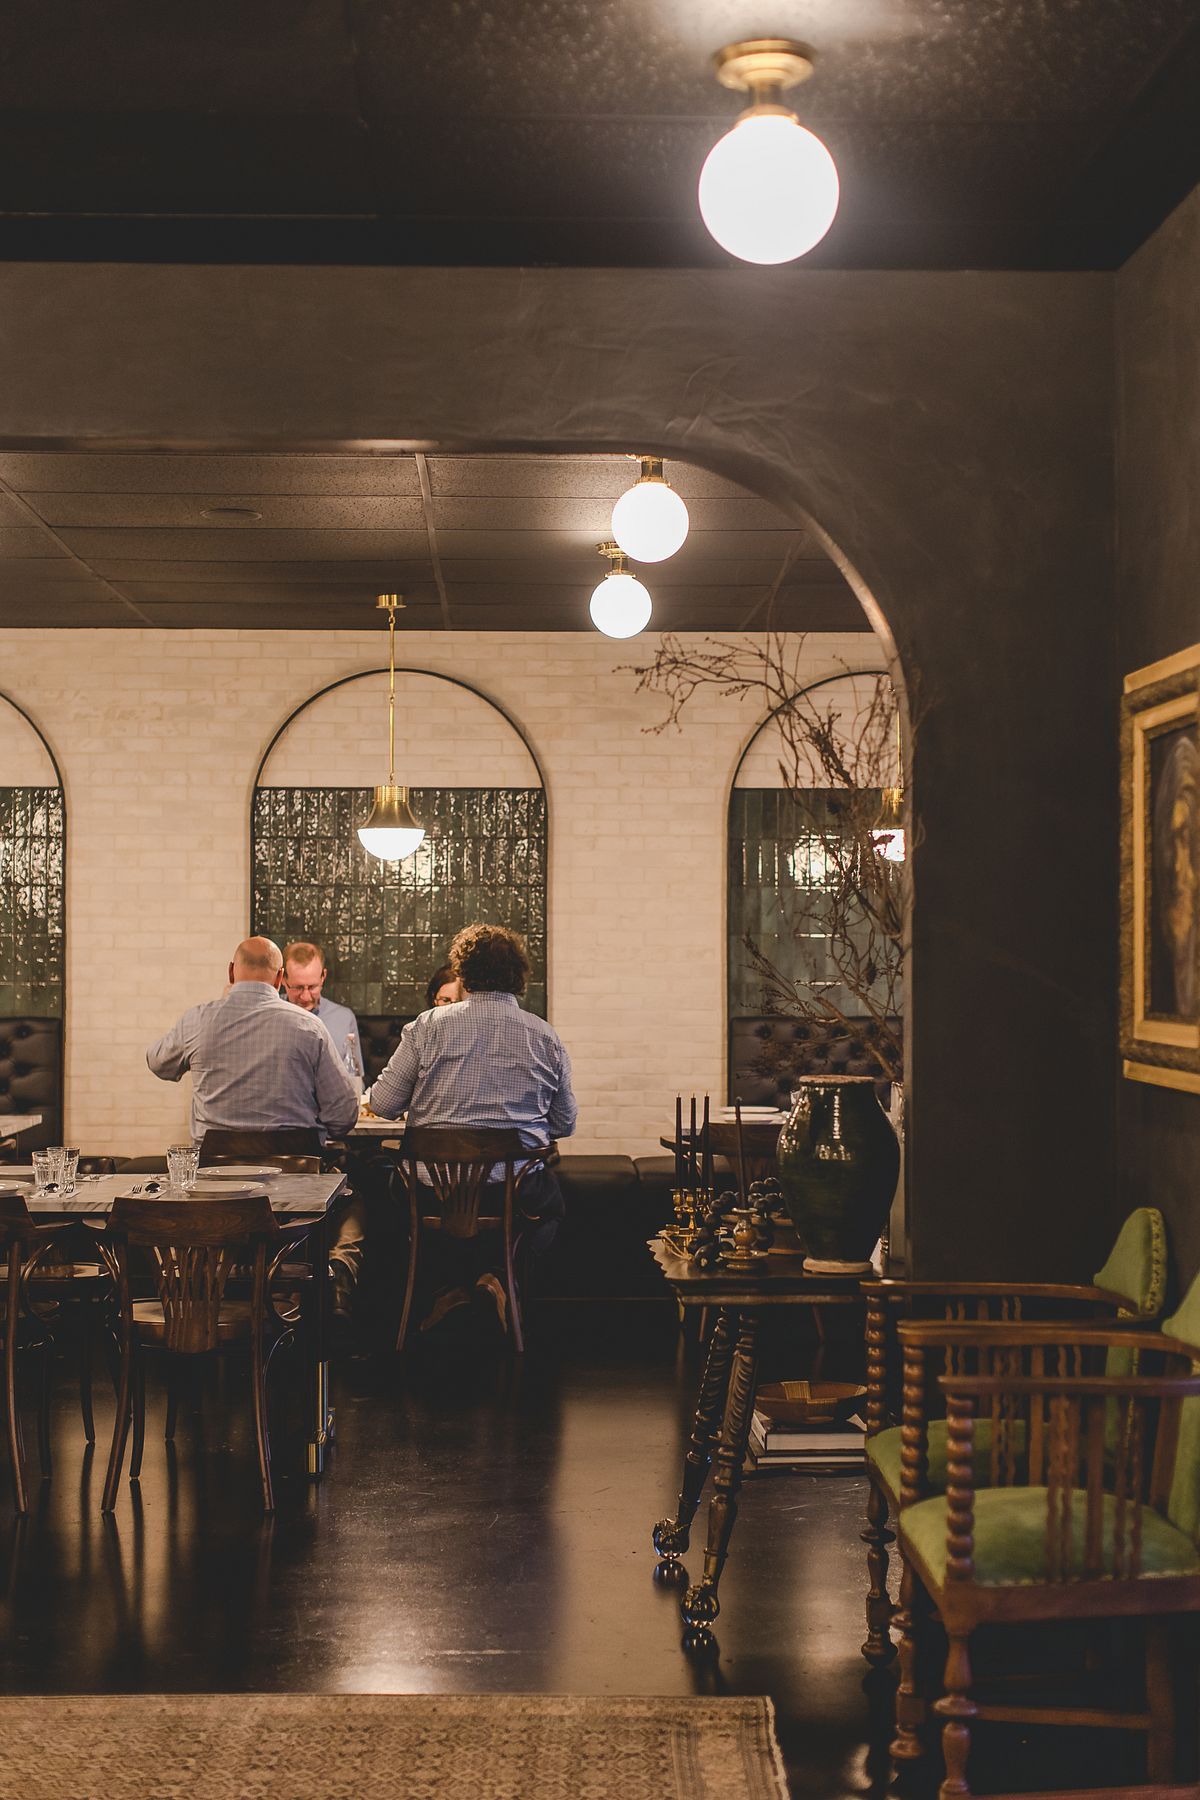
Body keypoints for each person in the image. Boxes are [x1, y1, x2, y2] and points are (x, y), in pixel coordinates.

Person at [370, 922, 577, 1334]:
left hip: (430, 1192)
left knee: (383, 1193)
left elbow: (383, 1105)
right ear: (519, 975)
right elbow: (564, 1123)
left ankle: (446, 1289)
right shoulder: (544, 1037)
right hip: (512, 1193)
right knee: (552, 1209)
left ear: (463, 974)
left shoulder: (426, 1026)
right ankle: (497, 1279)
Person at [146, 936, 359, 1144]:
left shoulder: (197, 1020)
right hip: (294, 1162)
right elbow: (344, 1114)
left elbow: (158, 1063)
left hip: (215, 1163)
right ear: (280, 978)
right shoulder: (310, 1026)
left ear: (231, 972)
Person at [282, 940, 363, 1076]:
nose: (305, 997)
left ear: (323, 977)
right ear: (283, 979)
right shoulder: (268, 1017)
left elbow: (354, 1078)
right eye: (298, 987)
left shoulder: (344, 1018)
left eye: (312, 987)